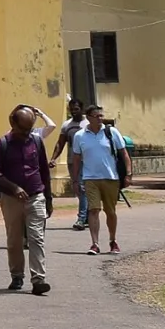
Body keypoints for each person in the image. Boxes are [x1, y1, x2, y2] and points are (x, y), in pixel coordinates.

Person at [0, 106, 53, 294]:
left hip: (36, 196)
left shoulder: (37, 142)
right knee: (15, 239)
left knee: (36, 238)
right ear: (12, 123)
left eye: (30, 129)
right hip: (11, 199)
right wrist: (13, 188)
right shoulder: (1, 145)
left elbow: (44, 171)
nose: (27, 133)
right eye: (23, 129)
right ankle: (17, 275)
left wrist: (48, 198)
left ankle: (38, 279)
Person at [69, 102, 129, 255]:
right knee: (93, 210)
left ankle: (112, 240)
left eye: (101, 115)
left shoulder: (111, 132)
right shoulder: (80, 136)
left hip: (111, 177)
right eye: (97, 116)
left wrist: (128, 173)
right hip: (90, 178)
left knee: (110, 211)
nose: (100, 119)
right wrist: (75, 180)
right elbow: (76, 159)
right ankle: (94, 243)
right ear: (88, 118)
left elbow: (124, 153)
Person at [53, 100, 90, 229]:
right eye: (72, 109)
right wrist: (54, 159)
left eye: (76, 109)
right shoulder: (66, 125)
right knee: (78, 190)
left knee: (83, 188)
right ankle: (88, 216)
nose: (74, 111)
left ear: (81, 109)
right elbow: (60, 143)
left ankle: (81, 218)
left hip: (87, 161)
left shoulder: (88, 124)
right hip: (72, 161)